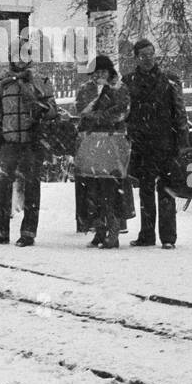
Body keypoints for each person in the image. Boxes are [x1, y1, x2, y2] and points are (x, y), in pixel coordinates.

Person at [0, 57, 58, 246]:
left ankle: (28, 232)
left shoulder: (40, 80)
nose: (20, 61)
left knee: (31, 188)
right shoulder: (2, 82)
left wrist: (41, 109)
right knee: (1, 187)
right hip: (9, 141)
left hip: (32, 140)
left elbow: (53, 109)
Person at [124, 38, 188, 248]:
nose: (148, 59)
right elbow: (125, 113)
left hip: (165, 143)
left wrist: (182, 141)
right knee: (145, 190)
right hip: (141, 144)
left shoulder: (170, 80)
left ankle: (168, 237)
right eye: (143, 55)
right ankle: (147, 235)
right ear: (136, 58)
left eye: (151, 54)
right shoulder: (128, 81)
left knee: (166, 190)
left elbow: (179, 112)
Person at [75, 55, 131, 249]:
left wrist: (96, 117)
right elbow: (79, 110)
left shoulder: (119, 89)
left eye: (103, 72)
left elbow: (122, 111)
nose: (99, 75)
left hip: (111, 140)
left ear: (110, 72)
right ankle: (99, 229)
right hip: (92, 141)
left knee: (110, 188)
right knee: (93, 187)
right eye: (96, 72)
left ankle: (113, 230)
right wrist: (97, 116)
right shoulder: (85, 90)